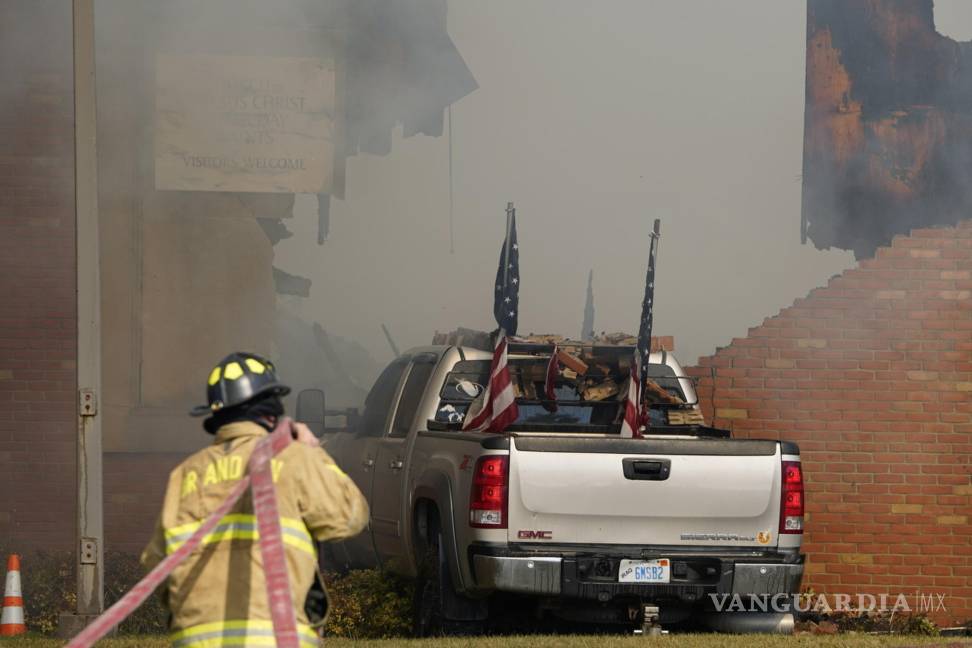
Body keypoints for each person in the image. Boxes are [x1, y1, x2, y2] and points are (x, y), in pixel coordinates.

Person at [140, 352, 368, 647]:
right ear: (271, 411)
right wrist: (314, 451)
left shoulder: (185, 475)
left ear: (216, 416)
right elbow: (349, 518)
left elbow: (156, 567)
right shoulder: (294, 458)